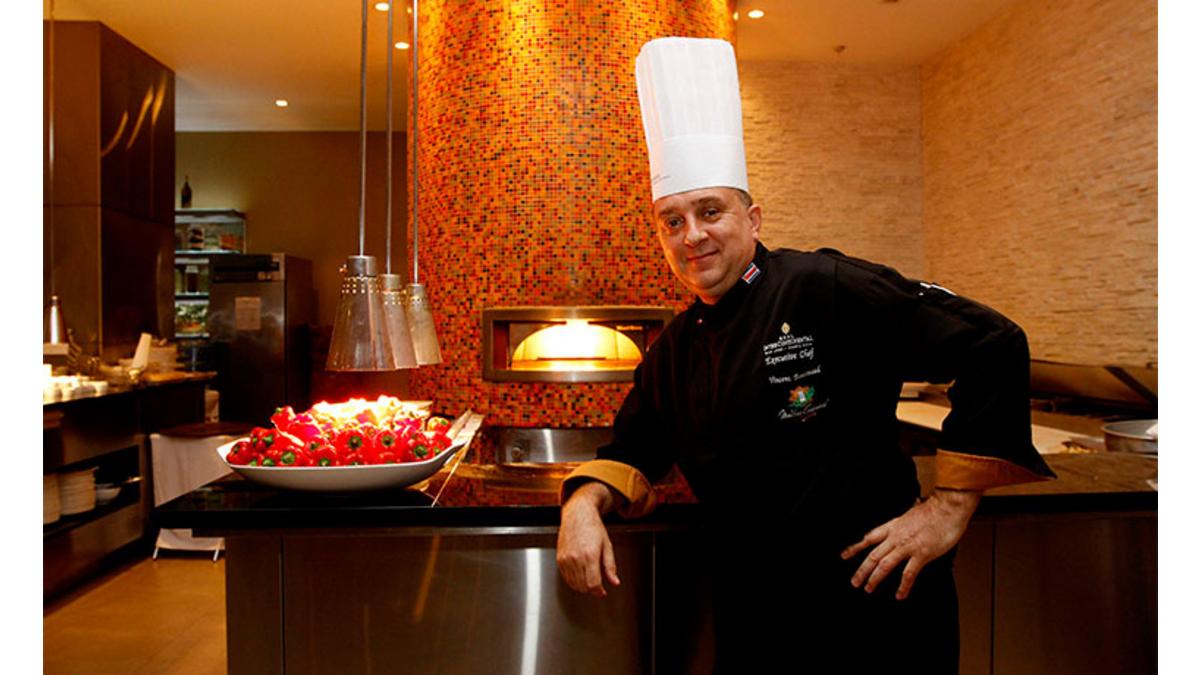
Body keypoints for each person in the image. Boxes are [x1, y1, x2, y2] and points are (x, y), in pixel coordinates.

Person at [555, 37, 1055, 673]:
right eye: (672, 221)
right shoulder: (673, 350)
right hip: (759, 618)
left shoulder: (824, 286)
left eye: (710, 211)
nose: (693, 235)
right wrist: (581, 505)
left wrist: (948, 509)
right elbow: (633, 450)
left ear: (754, 218)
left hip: (875, 608)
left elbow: (992, 342)